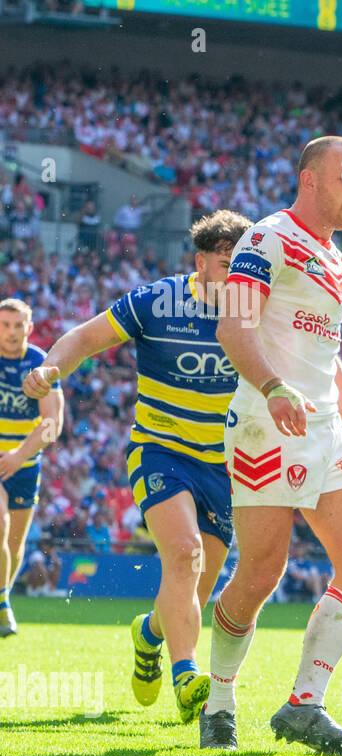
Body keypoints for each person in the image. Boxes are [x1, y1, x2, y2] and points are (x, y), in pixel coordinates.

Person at [204, 135, 342, 753]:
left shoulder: (335, 258)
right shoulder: (266, 238)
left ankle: (304, 705)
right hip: (267, 424)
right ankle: (219, 701)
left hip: (323, 428)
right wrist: (271, 387)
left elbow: (328, 356)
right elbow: (233, 325)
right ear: (310, 179)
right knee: (263, 572)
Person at [24, 211, 250, 722]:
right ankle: (187, 675)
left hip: (226, 466)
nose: (236, 273)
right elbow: (83, 338)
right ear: (201, 263)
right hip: (162, 451)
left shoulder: (257, 309)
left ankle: (148, 633)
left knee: (194, 586)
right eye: (225, 262)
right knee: (185, 553)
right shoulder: (157, 301)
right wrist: (50, 368)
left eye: (244, 263)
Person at [0, 298, 64, 635]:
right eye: (4, 325)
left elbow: (53, 424)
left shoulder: (39, 364)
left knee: (13, 543)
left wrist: (18, 455)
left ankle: (2, 597)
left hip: (24, 463)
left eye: (17, 326)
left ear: (30, 328)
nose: (11, 333)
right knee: (0, 524)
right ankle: (2, 605)